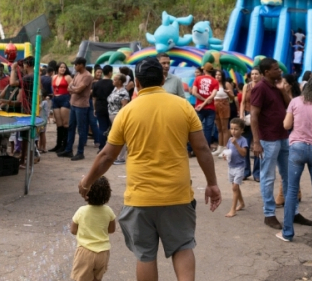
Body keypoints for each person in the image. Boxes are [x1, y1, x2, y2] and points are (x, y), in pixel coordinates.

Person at [78, 57, 221, 281]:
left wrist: (87, 182)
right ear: (163, 79)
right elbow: (202, 148)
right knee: (183, 247)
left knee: (145, 255)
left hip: (140, 197)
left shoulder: (127, 112)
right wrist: (212, 184)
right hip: (178, 194)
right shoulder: (183, 106)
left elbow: (107, 155)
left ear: (137, 82)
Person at [250, 58, 312, 230]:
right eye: (276, 69)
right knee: (268, 177)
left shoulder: (277, 87)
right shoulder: (259, 88)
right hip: (267, 139)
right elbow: (254, 115)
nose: (279, 71)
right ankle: (269, 213)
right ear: (266, 72)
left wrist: (282, 90)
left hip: (283, 136)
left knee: (289, 175)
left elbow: (290, 104)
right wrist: (256, 142)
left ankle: (293, 211)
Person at [276, 76, 312, 243]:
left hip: (297, 148)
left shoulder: (295, 102)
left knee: (292, 191)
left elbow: (286, 125)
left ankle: (287, 232)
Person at [70, 176, 116, 281]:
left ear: (86, 195)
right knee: (97, 278)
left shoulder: (81, 211)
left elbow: (73, 230)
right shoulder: (109, 211)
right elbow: (112, 230)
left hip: (85, 252)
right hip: (103, 253)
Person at [60, 57, 94, 161]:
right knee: (71, 127)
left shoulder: (87, 76)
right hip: (73, 104)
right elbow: (70, 87)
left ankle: (80, 152)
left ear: (81, 65)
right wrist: (74, 89)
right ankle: (68, 150)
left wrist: (73, 89)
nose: (74, 66)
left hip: (81, 106)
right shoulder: (77, 74)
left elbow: (79, 89)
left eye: (76, 64)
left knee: (81, 129)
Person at [191, 63, 220, 152]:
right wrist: (206, 101)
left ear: (204, 70)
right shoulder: (215, 81)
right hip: (210, 108)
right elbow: (212, 96)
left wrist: (202, 102)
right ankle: (206, 148)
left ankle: (192, 148)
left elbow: (194, 92)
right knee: (208, 129)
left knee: (195, 128)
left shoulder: (198, 79)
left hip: (199, 107)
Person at [240, 68, 262, 181]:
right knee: (245, 144)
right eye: (252, 74)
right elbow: (243, 102)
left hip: (260, 117)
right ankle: (246, 171)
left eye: (256, 74)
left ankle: (257, 173)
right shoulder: (246, 87)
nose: (254, 76)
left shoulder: (263, 87)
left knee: (258, 145)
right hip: (247, 117)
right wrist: (241, 116)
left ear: (260, 75)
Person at [225, 118, 248, 218]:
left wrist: (236, 144)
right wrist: (225, 155)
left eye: (236, 129)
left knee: (235, 187)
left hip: (239, 166)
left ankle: (233, 210)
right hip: (231, 166)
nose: (233, 131)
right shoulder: (230, 140)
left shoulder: (243, 140)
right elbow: (228, 150)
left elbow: (243, 154)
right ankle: (242, 203)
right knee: (235, 187)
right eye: (231, 129)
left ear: (242, 130)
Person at [106, 74, 130, 165]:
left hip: (117, 116)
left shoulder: (123, 92)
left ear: (120, 81)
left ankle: (121, 157)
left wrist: (120, 118)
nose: (113, 80)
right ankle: (116, 155)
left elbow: (124, 106)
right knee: (115, 135)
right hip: (111, 115)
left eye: (115, 79)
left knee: (120, 136)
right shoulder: (115, 90)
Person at [51, 62, 72, 153]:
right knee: (59, 123)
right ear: (57, 68)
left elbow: (72, 89)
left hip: (65, 98)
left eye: (64, 67)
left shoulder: (67, 77)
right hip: (56, 98)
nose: (63, 69)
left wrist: (70, 100)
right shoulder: (54, 77)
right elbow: (52, 88)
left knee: (65, 123)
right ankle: (58, 144)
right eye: (61, 67)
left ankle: (65, 145)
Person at [91, 66, 115, 136]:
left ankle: (102, 145)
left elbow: (94, 98)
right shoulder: (113, 83)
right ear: (110, 73)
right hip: (111, 108)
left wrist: (94, 108)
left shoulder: (96, 84)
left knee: (102, 127)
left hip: (100, 107)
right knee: (111, 128)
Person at [212, 70, 231, 155]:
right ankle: (220, 147)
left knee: (224, 128)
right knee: (219, 128)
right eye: (216, 75)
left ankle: (225, 148)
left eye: (219, 75)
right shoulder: (213, 83)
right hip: (215, 105)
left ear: (222, 76)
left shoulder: (226, 84)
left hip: (224, 104)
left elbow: (232, 97)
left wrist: (229, 93)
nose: (217, 76)